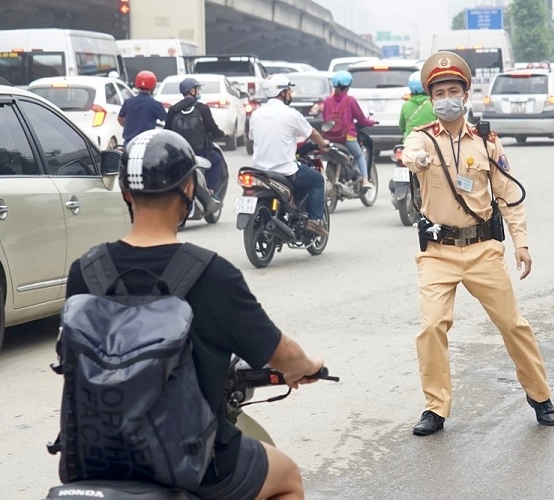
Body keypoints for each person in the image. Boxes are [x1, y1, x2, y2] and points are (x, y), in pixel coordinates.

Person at [65, 129, 324, 500]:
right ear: (189, 190)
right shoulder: (211, 274)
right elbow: (279, 352)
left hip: (96, 459)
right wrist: (306, 365)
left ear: (126, 193)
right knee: (288, 478)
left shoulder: (86, 271)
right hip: (198, 464)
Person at [402, 51, 554, 436]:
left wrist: (521, 242)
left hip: (483, 250)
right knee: (432, 327)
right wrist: (416, 160)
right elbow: (409, 155)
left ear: (466, 95)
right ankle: (435, 407)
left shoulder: (487, 142)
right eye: (439, 92)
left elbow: (508, 195)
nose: (447, 97)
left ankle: (540, 396)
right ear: (430, 98)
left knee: (512, 324)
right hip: (438, 253)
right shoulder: (420, 139)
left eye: (454, 90)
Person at [250, 74, 330, 237]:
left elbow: (253, 137)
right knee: (317, 180)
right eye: (288, 90)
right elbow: (312, 133)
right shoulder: (290, 114)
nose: (290, 94)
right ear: (282, 93)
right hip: (285, 169)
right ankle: (314, 222)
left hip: (259, 170)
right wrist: (322, 143)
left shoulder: (256, 114)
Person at [165, 77, 228, 193]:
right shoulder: (202, 108)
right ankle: (211, 189)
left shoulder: (173, 110)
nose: (198, 91)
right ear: (192, 91)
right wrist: (223, 134)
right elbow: (213, 129)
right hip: (201, 153)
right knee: (217, 161)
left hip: (182, 153)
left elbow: (167, 131)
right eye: (197, 89)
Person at [323, 70, 377, 189]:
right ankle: (365, 180)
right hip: (347, 137)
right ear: (347, 86)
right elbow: (361, 119)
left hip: (329, 137)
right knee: (359, 156)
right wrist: (371, 122)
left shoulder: (327, 101)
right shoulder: (350, 100)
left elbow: (324, 118)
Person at [118, 70, 167, 144]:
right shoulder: (155, 104)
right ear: (154, 86)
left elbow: (120, 119)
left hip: (128, 144)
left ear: (137, 85)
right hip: (146, 144)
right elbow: (168, 120)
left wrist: (130, 126)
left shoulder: (128, 102)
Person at [399, 70, 437, 140]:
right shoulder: (433, 104)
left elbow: (402, 126)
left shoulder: (406, 105)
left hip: (409, 142)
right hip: (431, 142)